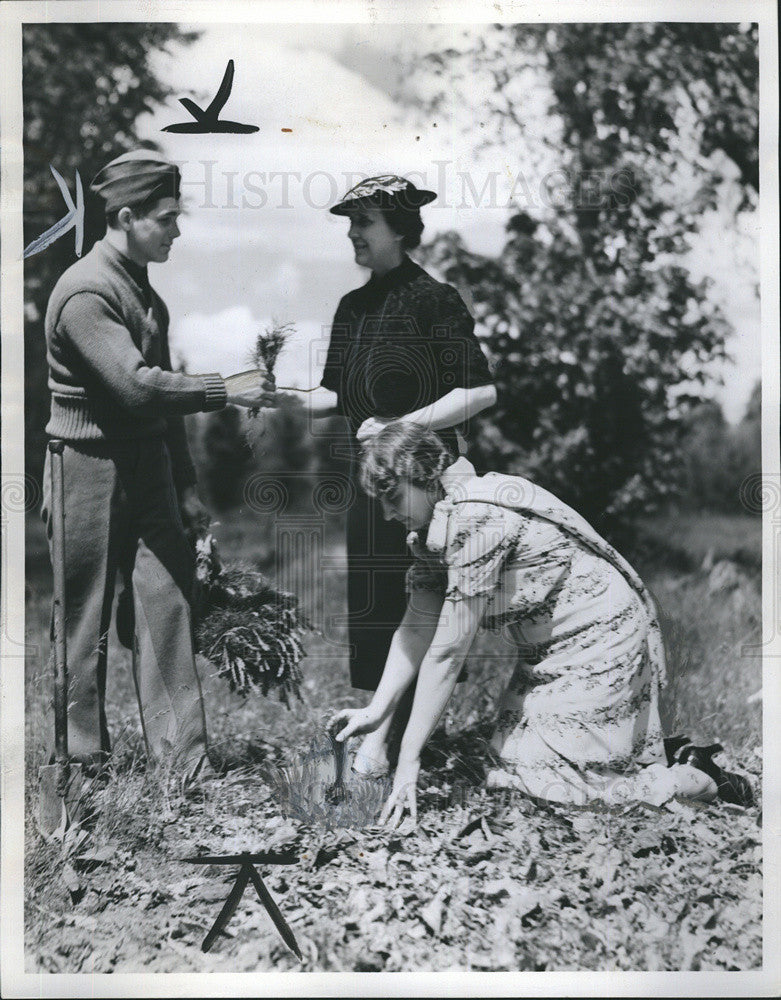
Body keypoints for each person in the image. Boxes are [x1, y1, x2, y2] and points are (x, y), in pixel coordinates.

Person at [330, 423, 754, 825]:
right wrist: (377, 709)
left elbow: (447, 652)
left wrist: (408, 761)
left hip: (599, 637)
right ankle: (652, 752)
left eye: (393, 498)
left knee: (565, 791)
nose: (386, 514)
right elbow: (415, 628)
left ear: (423, 477)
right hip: (547, 651)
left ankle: (698, 776)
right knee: (507, 771)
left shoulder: (475, 518)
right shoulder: (434, 525)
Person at [41, 149, 274, 779]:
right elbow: (140, 387)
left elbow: (161, 409)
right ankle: (78, 766)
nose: (177, 230)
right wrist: (226, 388)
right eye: (166, 218)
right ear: (124, 216)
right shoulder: (86, 292)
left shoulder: (146, 293)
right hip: (84, 469)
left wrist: (187, 486)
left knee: (169, 603)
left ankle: (184, 765)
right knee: (82, 617)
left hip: (146, 468)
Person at [275, 175, 496, 773]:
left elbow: (480, 390)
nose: (352, 233)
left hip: (425, 484)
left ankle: (392, 745)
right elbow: (332, 395)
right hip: (371, 485)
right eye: (349, 223)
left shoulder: (435, 300)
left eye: (363, 222)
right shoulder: (352, 308)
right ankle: (380, 729)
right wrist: (277, 397)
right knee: (375, 606)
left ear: (399, 228)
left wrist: (402, 424)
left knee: (420, 600)